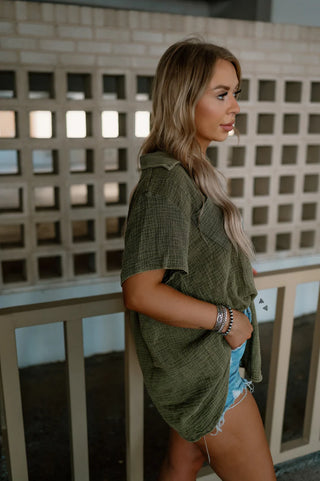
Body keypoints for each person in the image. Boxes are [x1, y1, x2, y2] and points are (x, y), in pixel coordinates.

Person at [121, 38, 276, 481]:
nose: (235, 107)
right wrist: (229, 321)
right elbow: (141, 290)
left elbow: (194, 258)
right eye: (222, 94)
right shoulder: (165, 184)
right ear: (183, 98)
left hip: (213, 362)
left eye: (236, 94)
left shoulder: (194, 172)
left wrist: (235, 269)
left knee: (182, 463)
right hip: (212, 374)